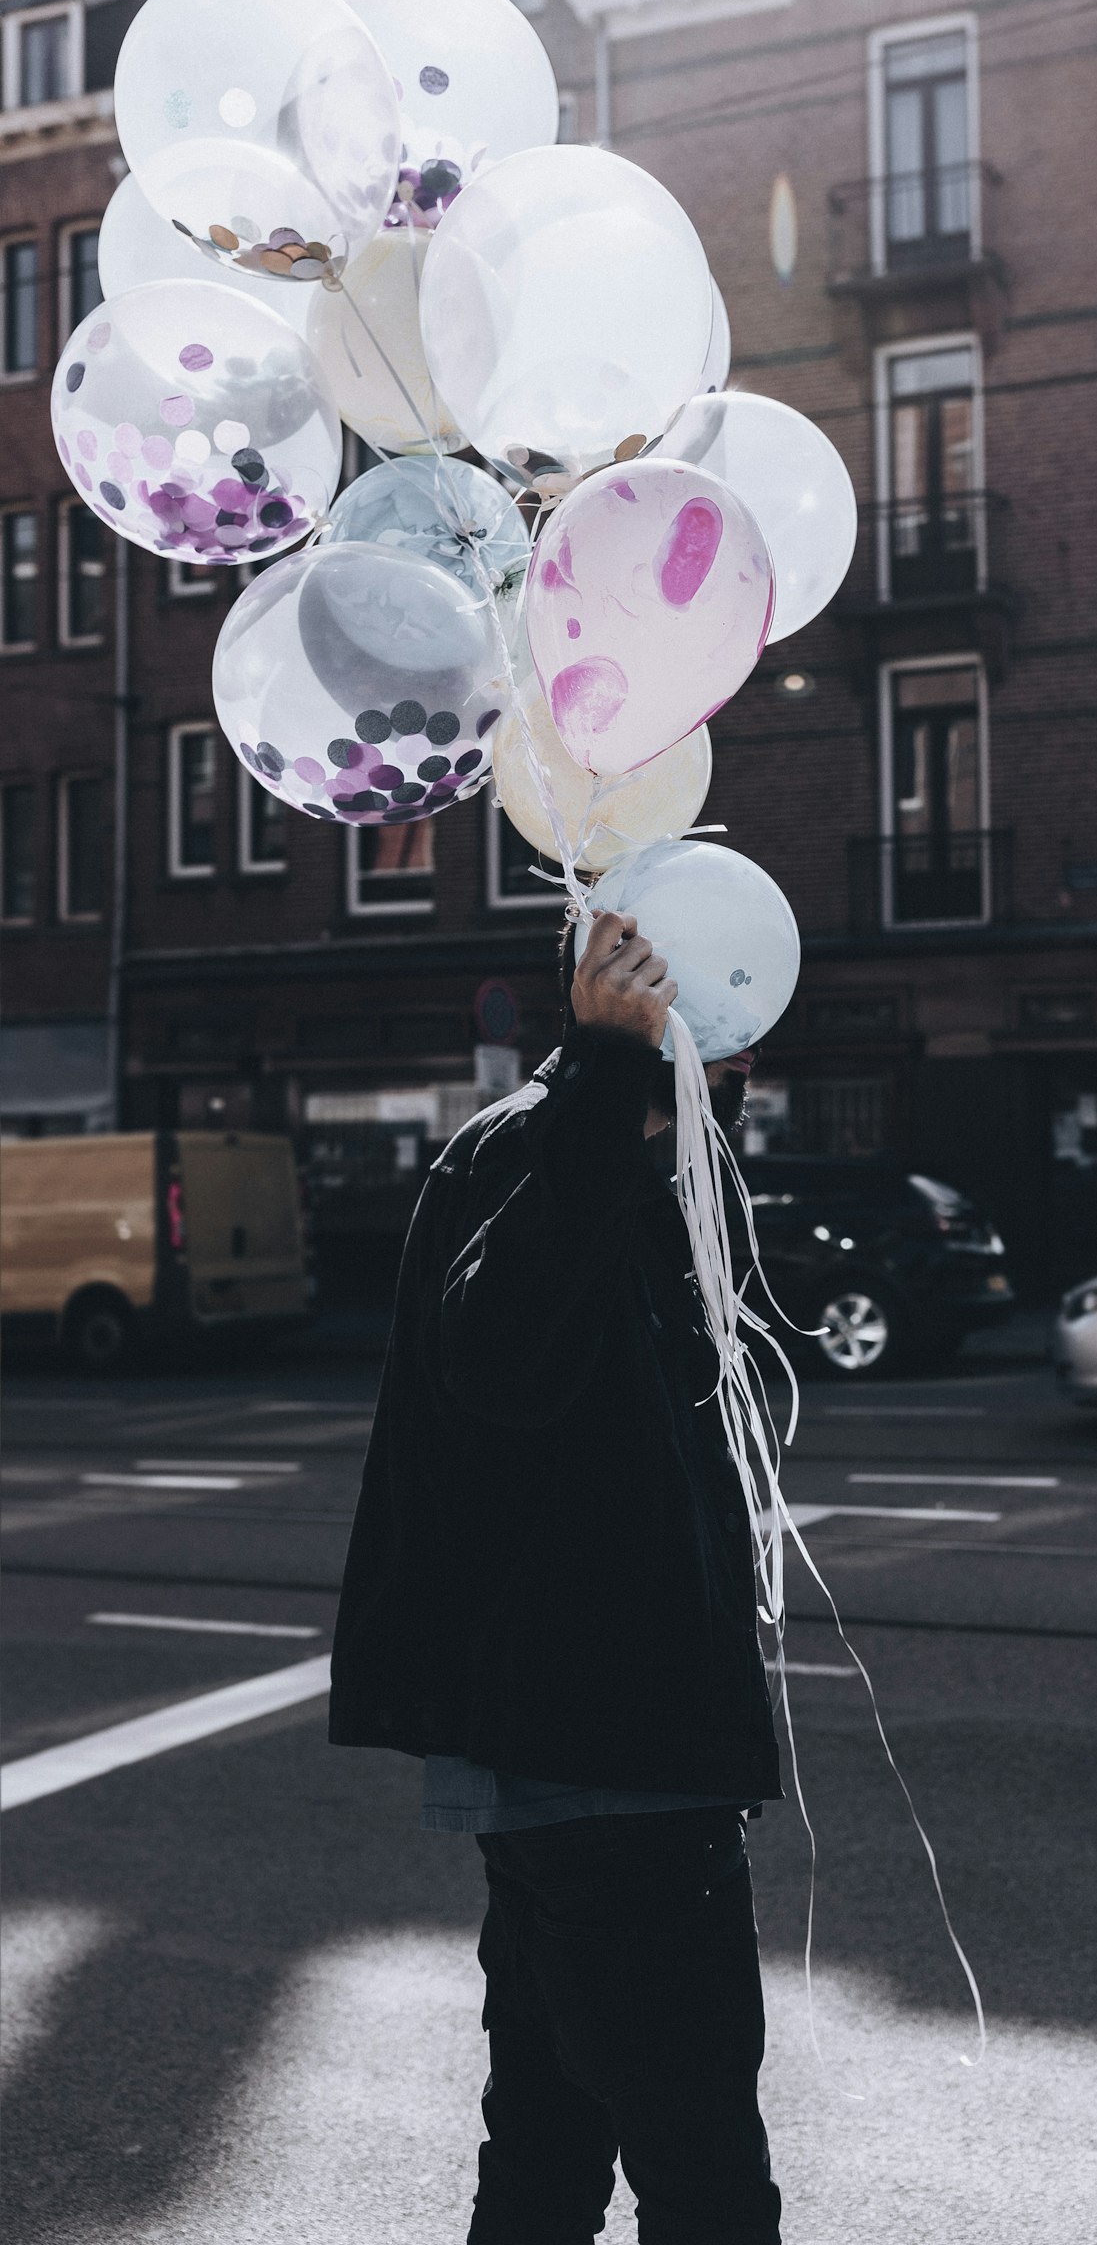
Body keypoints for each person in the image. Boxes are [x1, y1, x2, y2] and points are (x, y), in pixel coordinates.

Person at [330, 909, 784, 2245]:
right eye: (736, 1036)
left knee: (546, 2145)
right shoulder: (542, 1153)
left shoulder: (606, 1161)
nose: (749, 1079)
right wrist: (603, 1076)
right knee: (702, 2171)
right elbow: (503, 1359)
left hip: (577, 1758)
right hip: (612, 1766)